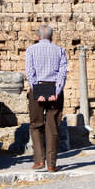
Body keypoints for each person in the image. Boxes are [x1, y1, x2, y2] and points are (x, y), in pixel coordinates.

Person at [25, 25, 68, 172]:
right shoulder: (60, 50)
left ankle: (39, 160)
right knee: (53, 127)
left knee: (36, 125)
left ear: (38, 37)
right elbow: (62, 73)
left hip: (38, 86)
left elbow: (30, 72)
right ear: (52, 37)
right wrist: (56, 90)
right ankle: (51, 163)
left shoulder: (31, 50)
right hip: (54, 87)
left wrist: (38, 90)